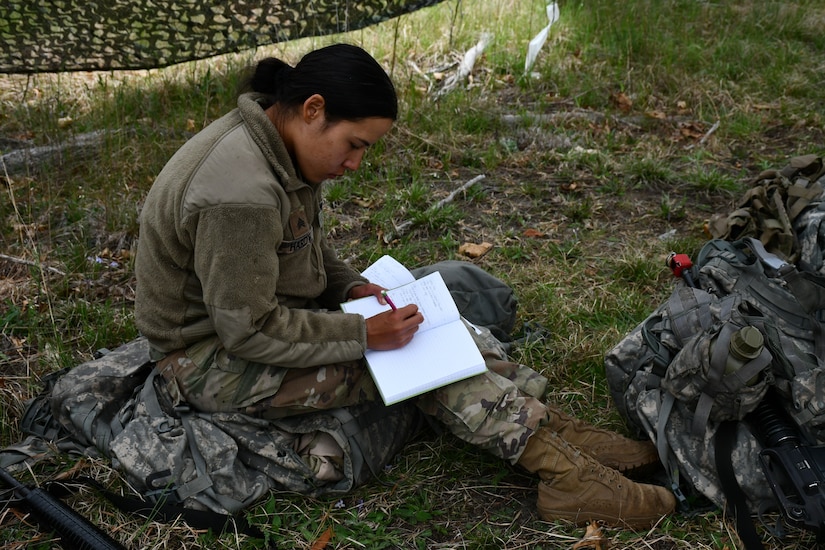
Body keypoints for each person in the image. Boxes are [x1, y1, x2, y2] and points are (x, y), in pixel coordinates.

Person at [134, 43, 676, 529]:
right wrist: (364, 334)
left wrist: (351, 287)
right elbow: (246, 329)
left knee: (429, 324)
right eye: (354, 144)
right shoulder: (241, 194)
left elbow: (302, 248)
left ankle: (557, 431)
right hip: (203, 362)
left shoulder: (280, 146)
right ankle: (562, 474)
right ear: (313, 109)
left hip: (255, 324)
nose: (355, 162)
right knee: (407, 359)